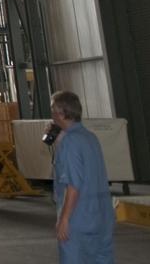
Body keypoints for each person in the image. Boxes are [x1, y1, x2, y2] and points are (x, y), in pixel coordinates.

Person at [50, 90, 113, 263]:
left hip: (79, 216)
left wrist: (64, 218)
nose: (52, 116)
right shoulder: (90, 138)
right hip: (101, 215)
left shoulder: (70, 142)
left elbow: (73, 184)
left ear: (61, 113)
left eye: (53, 111)